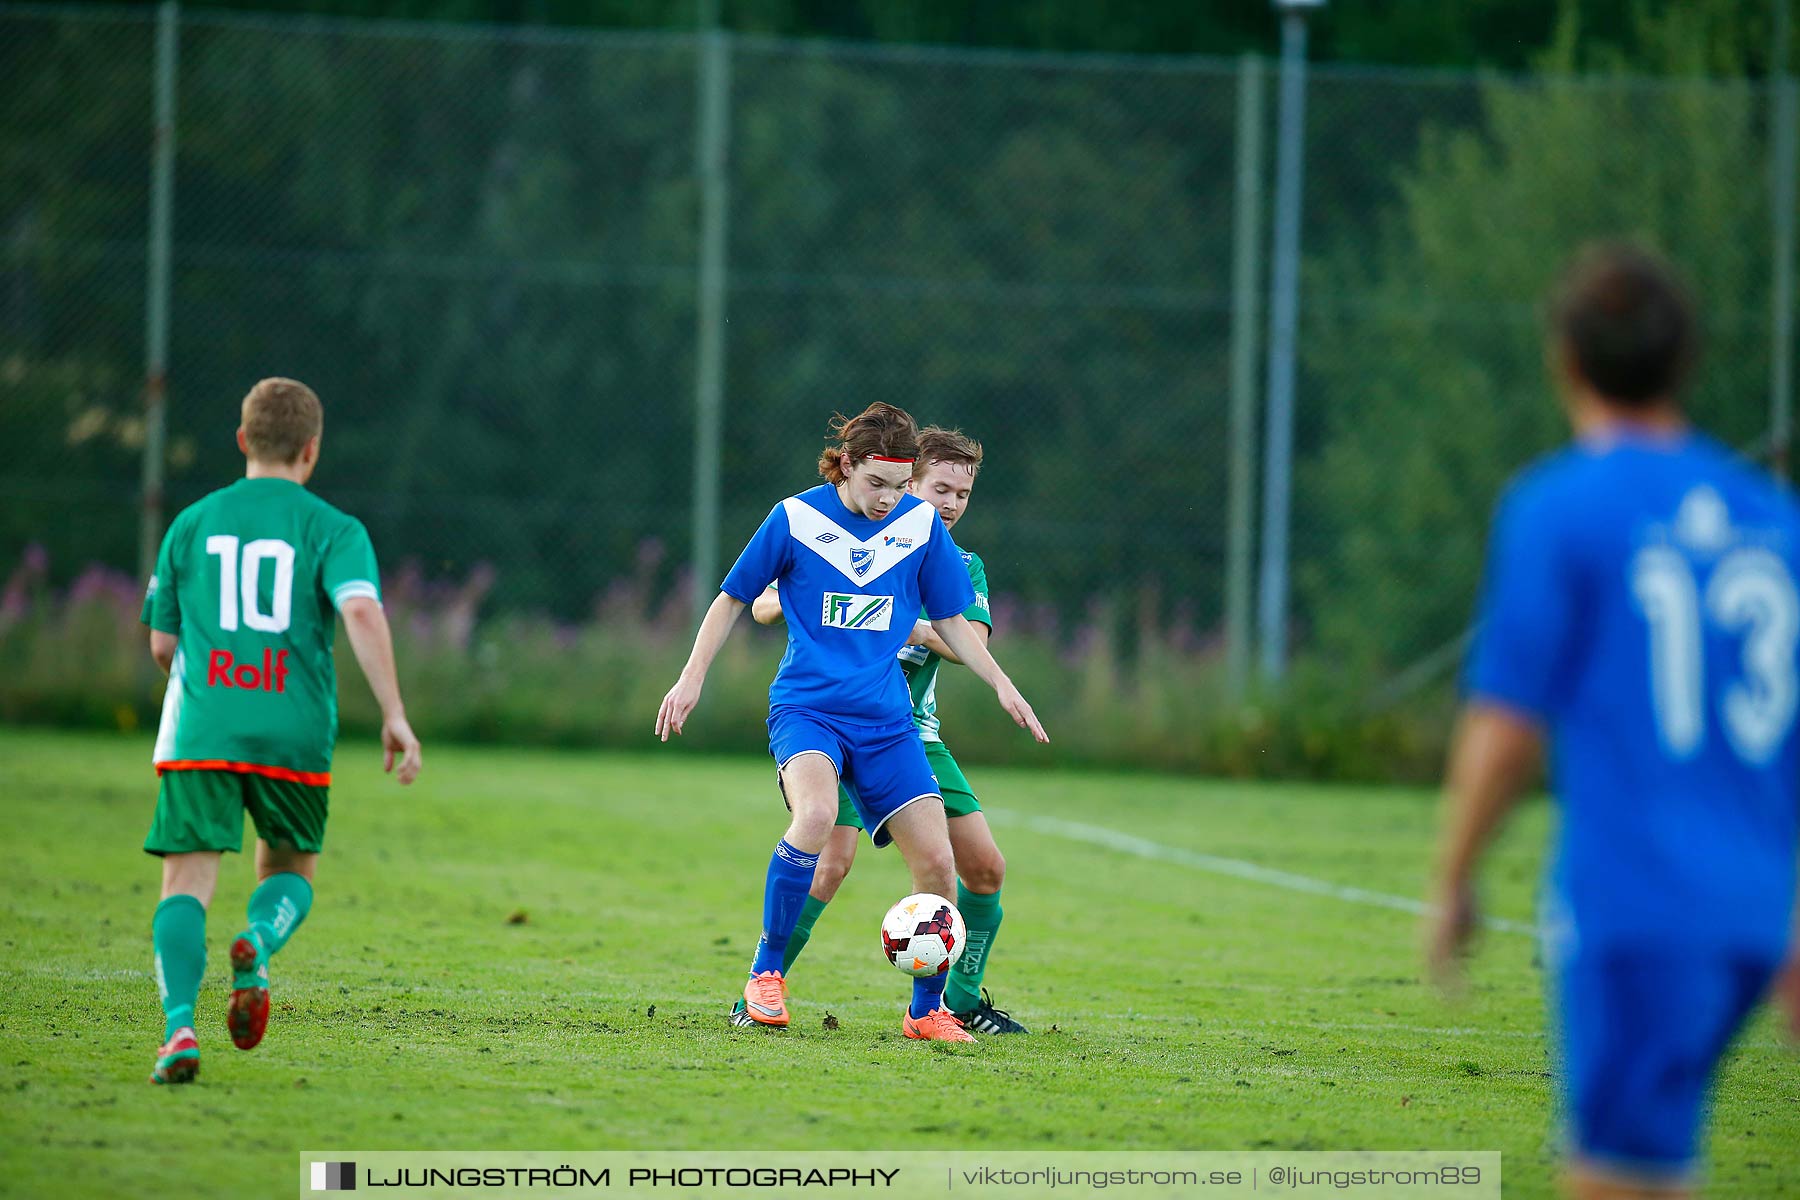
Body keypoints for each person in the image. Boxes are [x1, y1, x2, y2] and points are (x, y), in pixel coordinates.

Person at [1427, 244, 1800, 1198]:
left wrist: (1457, 877)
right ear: (1687, 362)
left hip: (1640, 909)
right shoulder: (1774, 518)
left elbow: (1508, 726)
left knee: (1617, 1179)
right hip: (1760, 907)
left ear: (1566, 360)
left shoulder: (1561, 507)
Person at [657, 403, 1047, 1043]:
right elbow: (735, 599)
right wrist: (690, 677)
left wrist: (1002, 683)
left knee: (938, 865)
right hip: (807, 710)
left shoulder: (919, 525)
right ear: (846, 467)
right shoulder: (796, 518)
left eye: (900, 485)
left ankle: (927, 1013)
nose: (890, 499)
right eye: (878, 484)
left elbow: (952, 619)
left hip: (889, 723)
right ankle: (766, 977)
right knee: (814, 822)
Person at [141, 377, 422, 1084]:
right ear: (311, 450)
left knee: (186, 880)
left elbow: (162, 648)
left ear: (242, 441)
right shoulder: (333, 529)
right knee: (290, 871)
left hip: (202, 728)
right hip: (292, 731)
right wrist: (393, 713)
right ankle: (258, 941)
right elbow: (359, 613)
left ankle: (179, 1030)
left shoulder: (191, 524)